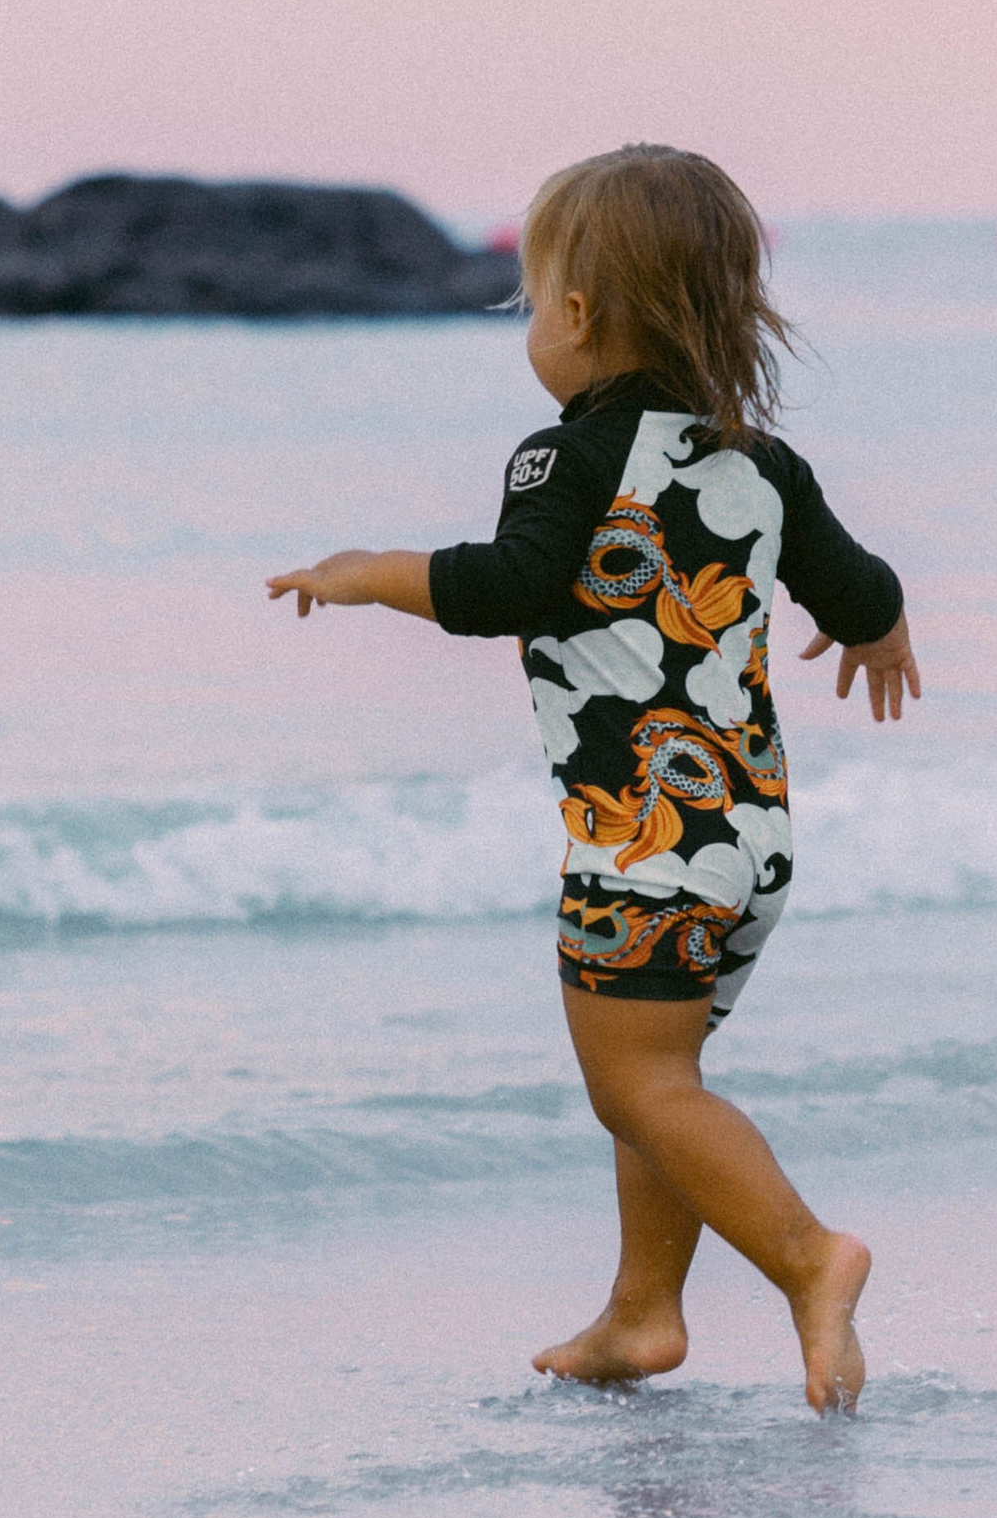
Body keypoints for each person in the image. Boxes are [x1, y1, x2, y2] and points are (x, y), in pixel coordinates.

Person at [266, 142, 917, 1411]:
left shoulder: (558, 458)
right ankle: (640, 1313)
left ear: (573, 314)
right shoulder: (761, 464)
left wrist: (367, 569)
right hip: (746, 841)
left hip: (642, 840)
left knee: (639, 1084)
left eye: (528, 303)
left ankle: (806, 1258)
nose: (530, 328)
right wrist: (880, 632)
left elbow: (504, 589)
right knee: (660, 1074)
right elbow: (862, 588)